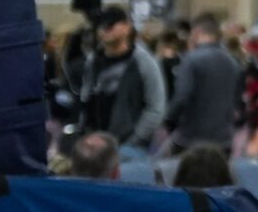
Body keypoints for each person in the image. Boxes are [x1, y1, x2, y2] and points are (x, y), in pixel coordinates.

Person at [80, 8, 166, 157]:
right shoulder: (93, 61)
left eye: (112, 24)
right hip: (95, 146)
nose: (106, 29)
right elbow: (87, 96)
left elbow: (156, 107)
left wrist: (134, 141)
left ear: (127, 27)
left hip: (130, 148)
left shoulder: (144, 62)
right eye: (101, 25)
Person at [163, 14, 242, 152]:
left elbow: (182, 96)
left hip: (190, 141)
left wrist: (169, 121)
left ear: (196, 33)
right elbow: (237, 102)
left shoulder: (191, 60)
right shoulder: (233, 62)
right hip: (224, 141)